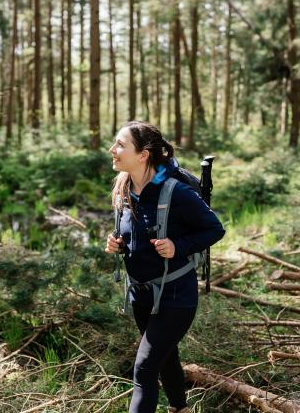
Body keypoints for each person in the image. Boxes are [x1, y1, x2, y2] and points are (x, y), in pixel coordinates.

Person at [105, 121, 225, 413]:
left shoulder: (176, 193)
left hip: (176, 298)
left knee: (144, 368)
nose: (113, 149)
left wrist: (177, 247)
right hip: (141, 295)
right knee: (165, 357)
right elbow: (133, 235)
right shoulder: (124, 188)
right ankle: (179, 408)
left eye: (121, 145)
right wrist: (118, 244)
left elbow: (214, 229)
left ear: (143, 154)